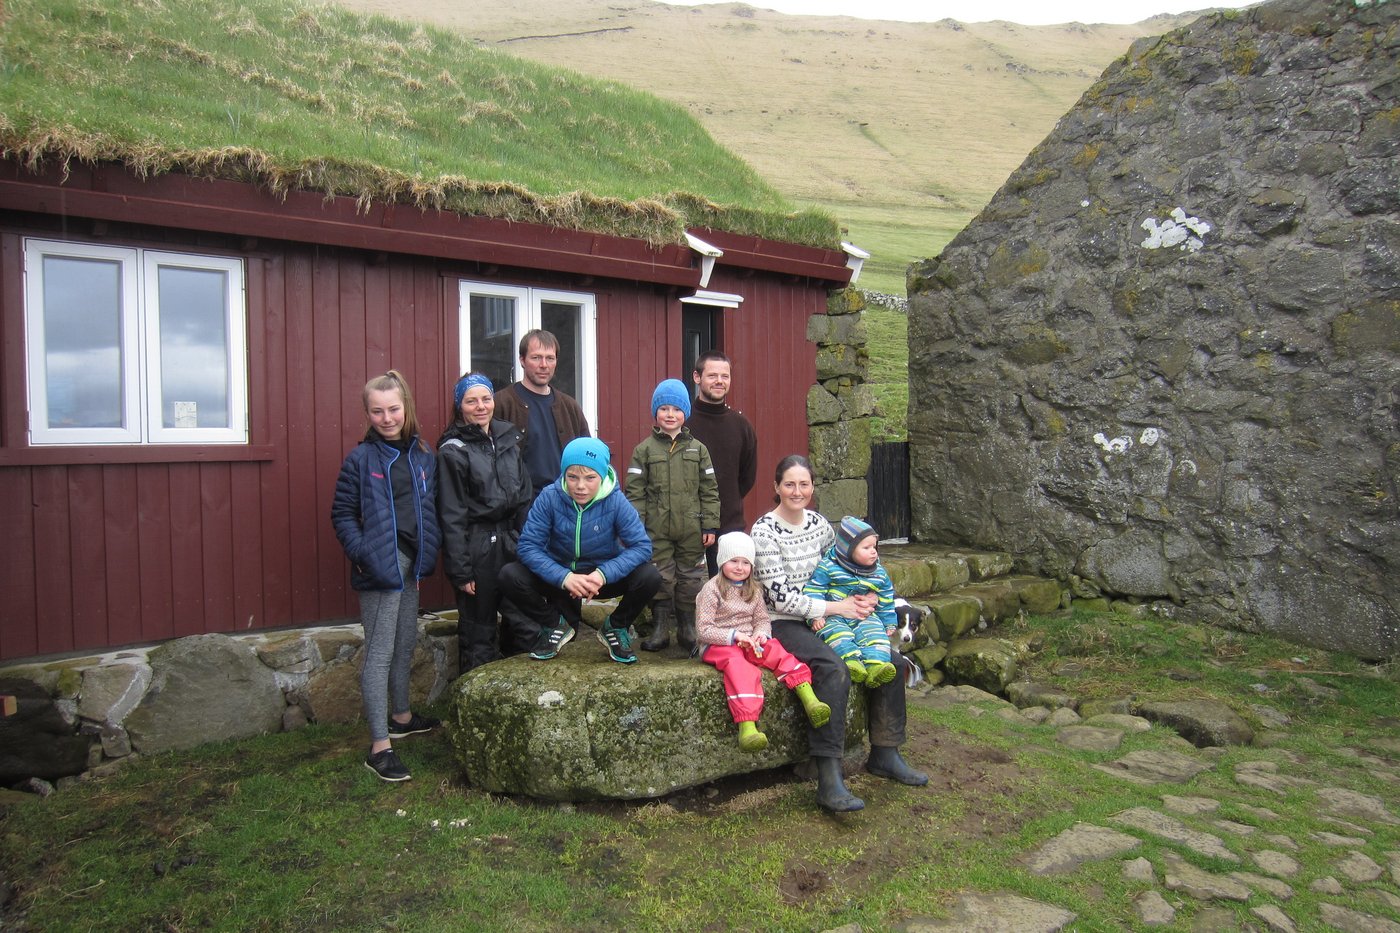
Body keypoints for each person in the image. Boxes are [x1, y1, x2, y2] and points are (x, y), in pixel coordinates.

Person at [751, 454, 928, 812]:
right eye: (789, 484)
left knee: (891, 662)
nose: (797, 491)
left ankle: (886, 752)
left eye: (804, 484)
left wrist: (862, 602)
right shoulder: (763, 531)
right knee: (833, 668)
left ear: (812, 487)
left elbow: (844, 566)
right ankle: (829, 774)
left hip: (834, 613)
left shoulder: (820, 525)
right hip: (783, 622)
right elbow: (779, 597)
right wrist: (836, 608)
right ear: (776, 487)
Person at [331, 370, 442, 783]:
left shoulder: (422, 456)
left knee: (405, 643)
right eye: (377, 411)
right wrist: (364, 554)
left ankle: (401, 716)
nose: (387, 417)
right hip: (381, 567)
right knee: (379, 653)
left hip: (412, 565)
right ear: (367, 413)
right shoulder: (360, 460)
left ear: (406, 407)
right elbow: (342, 514)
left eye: (393, 409)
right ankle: (379, 747)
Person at [499, 437, 662, 664]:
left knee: (650, 576)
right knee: (510, 575)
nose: (580, 486)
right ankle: (553, 625)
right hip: (561, 576)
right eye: (572, 477)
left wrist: (602, 574)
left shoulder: (616, 501)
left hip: (601, 579)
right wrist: (564, 577)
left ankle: (616, 627)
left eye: (590, 478)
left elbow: (642, 547)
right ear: (564, 474)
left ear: (603, 475)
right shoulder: (549, 497)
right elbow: (528, 546)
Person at [695, 532, 832, 752]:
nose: (739, 567)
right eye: (733, 561)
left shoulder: (754, 589)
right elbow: (703, 629)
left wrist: (761, 634)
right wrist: (734, 636)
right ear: (722, 561)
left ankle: (809, 698)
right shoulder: (711, 590)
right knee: (740, 668)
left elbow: (761, 619)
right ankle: (747, 725)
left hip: (750, 640)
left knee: (775, 650)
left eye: (745, 562)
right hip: (719, 643)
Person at [437, 372, 535, 674]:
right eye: (471, 401)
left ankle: (519, 695)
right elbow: (451, 514)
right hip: (477, 545)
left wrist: (527, 544)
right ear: (460, 406)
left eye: (486, 398)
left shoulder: (509, 439)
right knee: (479, 629)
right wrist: (460, 569)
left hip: (511, 540)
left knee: (522, 621)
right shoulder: (452, 450)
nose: (481, 406)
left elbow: (524, 497)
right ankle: (474, 701)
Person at [626, 379, 720, 653]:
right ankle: (660, 629)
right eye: (664, 408)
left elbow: (710, 490)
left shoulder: (699, 450)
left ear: (685, 413)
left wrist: (710, 524)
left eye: (676, 409)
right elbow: (634, 494)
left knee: (691, 579)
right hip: (655, 530)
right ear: (655, 413)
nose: (670, 414)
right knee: (661, 579)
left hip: (691, 528)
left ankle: (687, 628)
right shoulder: (643, 451)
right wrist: (637, 530)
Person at [803, 516, 900, 689]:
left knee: (876, 635)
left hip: (863, 615)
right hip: (833, 615)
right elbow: (814, 591)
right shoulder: (828, 566)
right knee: (837, 635)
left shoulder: (877, 571)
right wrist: (816, 616)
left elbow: (886, 595)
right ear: (849, 549)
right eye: (866, 547)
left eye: (874, 547)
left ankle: (876, 668)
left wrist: (888, 621)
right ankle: (851, 662)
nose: (874, 552)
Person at [493, 329, 592, 498]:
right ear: (522, 360)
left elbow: (588, 457)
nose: (544, 365)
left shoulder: (570, 407)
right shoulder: (501, 404)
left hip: (565, 504)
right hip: (521, 506)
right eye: (536, 357)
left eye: (550, 358)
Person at [687, 351, 758, 577]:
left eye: (725, 376)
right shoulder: (683, 424)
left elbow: (747, 478)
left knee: (731, 595)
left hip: (729, 527)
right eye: (712, 375)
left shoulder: (741, 426)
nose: (719, 381)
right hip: (688, 529)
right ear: (697, 378)